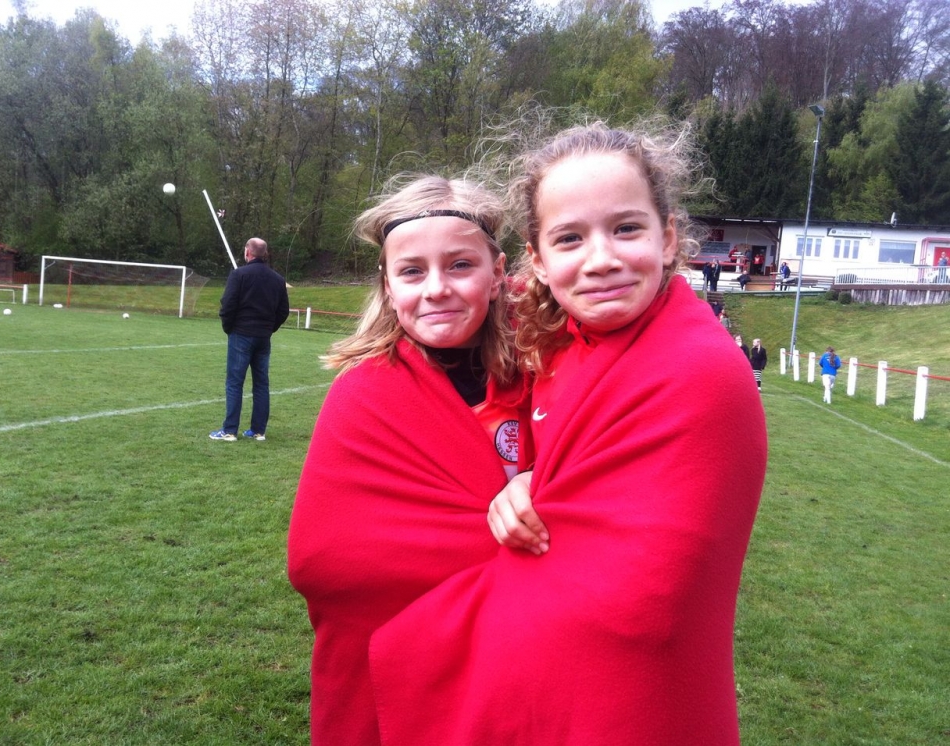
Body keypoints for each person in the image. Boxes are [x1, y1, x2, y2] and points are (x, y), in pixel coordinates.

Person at [368, 122, 767, 744]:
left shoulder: (695, 369)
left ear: (668, 238)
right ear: (539, 260)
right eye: (570, 238)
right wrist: (531, 476)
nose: (600, 259)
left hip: (633, 707)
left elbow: (633, 597)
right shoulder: (568, 343)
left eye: (626, 228)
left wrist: (412, 640)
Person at [287, 175, 532, 745]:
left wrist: (543, 485)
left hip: (525, 663)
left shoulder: (547, 374)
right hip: (404, 669)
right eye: (413, 271)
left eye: (460, 265)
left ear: (498, 273)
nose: (437, 289)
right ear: (388, 285)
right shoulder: (363, 395)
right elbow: (321, 559)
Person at [209, 237, 290, 441]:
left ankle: (229, 431)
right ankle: (258, 430)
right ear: (265, 254)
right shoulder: (277, 279)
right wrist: (269, 328)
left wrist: (229, 328)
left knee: (235, 383)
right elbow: (283, 311)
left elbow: (227, 304)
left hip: (241, 335)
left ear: (248, 252)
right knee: (261, 383)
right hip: (263, 337)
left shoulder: (239, 275)